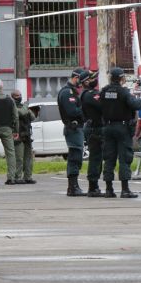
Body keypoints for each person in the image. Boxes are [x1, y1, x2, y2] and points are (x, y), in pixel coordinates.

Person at [99, 67, 141, 198]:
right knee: (124, 157)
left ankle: (109, 189)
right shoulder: (124, 92)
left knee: (109, 158)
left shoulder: (104, 91)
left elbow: (100, 107)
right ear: (121, 78)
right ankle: (125, 190)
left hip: (107, 128)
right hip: (122, 128)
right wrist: (140, 100)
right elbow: (135, 105)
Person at [58, 68, 87, 196]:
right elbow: (72, 112)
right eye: (81, 81)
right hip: (73, 128)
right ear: (75, 78)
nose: (81, 85)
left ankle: (74, 186)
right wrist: (85, 109)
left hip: (76, 129)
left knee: (77, 157)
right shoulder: (67, 93)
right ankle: (73, 187)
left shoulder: (72, 91)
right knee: (75, 157)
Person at [80, 69, 104, 197]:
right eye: (92, 78)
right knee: (95, 158)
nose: (95, 80)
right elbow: (104, 106)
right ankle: (93, 187)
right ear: (86, 82)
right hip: (95, 129)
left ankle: (94, 186)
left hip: (95, 128)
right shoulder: (90, 95)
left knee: (98, 158)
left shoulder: (89, 94)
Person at [12, 89, 36, 184]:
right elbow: (21, 113)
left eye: (20, 95)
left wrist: (27, 109)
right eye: (17, 96)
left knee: (28, 157)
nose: (19, 97)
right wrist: (26, 106)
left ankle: (28, 177)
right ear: (13, 97)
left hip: (26, 134)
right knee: (19, 158)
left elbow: (33, 117)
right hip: (17, 135)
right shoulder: (12, 107)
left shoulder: (23, 107)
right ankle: (17, 177)